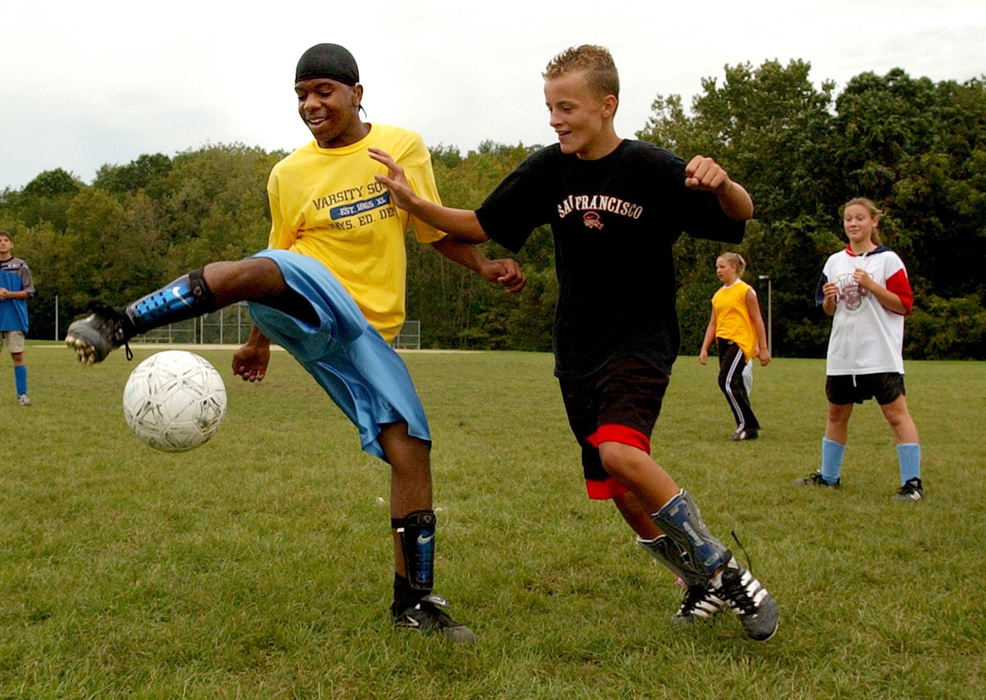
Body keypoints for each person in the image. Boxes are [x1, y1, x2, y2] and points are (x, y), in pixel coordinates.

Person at [65, 43, 526, 643]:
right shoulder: (288, 173)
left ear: (356, 94)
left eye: (322, 91)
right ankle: (119, 321)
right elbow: (277, 260)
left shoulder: (401, 146)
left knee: (410, 449)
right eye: (301, 94)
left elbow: (431, 228)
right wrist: (260, 338)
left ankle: (413, 604)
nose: (311, 104)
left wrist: (485, 266)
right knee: (250, 268)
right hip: (311, 297)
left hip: (365, 334)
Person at [370, 45, 779, 641]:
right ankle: (694, 582)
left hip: (640, 340)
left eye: (568, 107)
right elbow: (481, 224)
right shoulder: (547, 170)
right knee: (615, 487)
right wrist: (413, 202)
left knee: (620, 453)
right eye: (549, 108)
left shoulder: (651, 168)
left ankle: (726, 571)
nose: (556, 119)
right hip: (576, 348)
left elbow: (737, 214)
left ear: (607, 105)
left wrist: (725, 183)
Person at [796, 197, 924, 501]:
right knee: (836, 415)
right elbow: (828, 310)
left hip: (879, 353)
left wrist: (873, 285)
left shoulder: (888, 260)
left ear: (873, 222)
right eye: (848, 218)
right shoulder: (834, 262)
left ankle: (913, 484)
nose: (853, 224)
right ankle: (829, 477)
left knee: (896, 415)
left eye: (859, 218)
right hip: (843, 354)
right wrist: (828, 298)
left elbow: (904, 305)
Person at [698, 252, 770, 440]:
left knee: (726, 381)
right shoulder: (718, 295)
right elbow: (713, 323)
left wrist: (763, 348)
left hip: (739, 342)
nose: (718, 270)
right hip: (723, 343)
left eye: (722, 266)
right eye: (717, 267)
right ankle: (750, 428)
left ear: (734, 268)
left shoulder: (745, 291)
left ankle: (746, 424)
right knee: (734, 383)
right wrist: (705, 348)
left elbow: (758, 320)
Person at [0, 230, 35, 406]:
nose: (3, 243)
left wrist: (9, 294)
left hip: (15, 318)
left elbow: (29, 292)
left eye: (6, 240)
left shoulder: (21, 266)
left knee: (17, 356)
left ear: (11, 244)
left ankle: (22, 395)